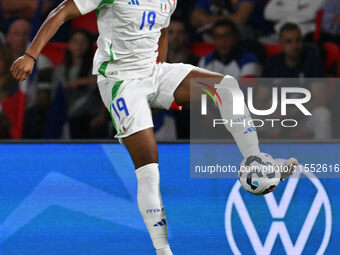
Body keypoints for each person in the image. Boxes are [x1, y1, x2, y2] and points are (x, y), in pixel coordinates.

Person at [10, 1, 297, 254]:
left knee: (225, 86)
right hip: (121, 82)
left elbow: (161, 33)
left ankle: (255, 159)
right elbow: (61, 12)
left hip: (154, 71)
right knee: (149, 169)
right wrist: (31, 55)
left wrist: (162, 91)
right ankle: (162, 250)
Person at [258, 23, 331, 139]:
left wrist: (294, 110)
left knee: (323, 115)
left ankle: (324, 156)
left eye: (297, 40)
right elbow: (259, 100)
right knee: (245, 119)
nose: (294, 45)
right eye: (289, 41)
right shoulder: (272, 63)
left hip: (304, 116)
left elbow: (321, 99)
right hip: (277, 118)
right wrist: (270, 108)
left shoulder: (313, 61)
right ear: (281, 45)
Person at [51, 29, 107, 139]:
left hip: (92, 118)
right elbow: (54, 98)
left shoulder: (97, 68)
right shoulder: (59, 70)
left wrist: (102, 115)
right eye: (75, 41)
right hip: (66, 118)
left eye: (83, 42)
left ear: (89, 45)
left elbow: (106, 86)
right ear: (69, 45)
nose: (79, 45)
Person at [191, 0, 271, 40]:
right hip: (216, 26)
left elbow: (240, 19)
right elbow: (195, 17)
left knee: (225, 29)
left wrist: (211, 19)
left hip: (254, 32)